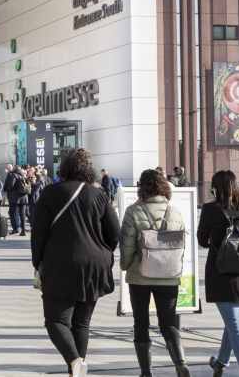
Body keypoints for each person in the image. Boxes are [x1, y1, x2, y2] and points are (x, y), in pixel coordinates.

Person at [31, 148, 119, 377]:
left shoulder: (50, 193)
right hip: (94, 265)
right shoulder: (98, 194)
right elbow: (115, 233)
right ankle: (77, 368)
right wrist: (103, 251)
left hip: (60, 264)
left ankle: (74, 361)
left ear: (64, 168)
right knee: (81, 323)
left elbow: (38, 233)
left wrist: (38, 262)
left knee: (55, 321)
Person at [120, 169, 189, 377]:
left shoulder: (134, 211)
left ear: (142, 187)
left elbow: (127, 246)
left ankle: (146, 371)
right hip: (169, 276)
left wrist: (126, 265)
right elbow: (181, 246)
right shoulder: (174, 211)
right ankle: (180, 363)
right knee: (169, 322)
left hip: (140, 276)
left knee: (141, 322)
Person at [197, 170, 239, 375]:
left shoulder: (209, 209)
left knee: (234, 325)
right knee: (232, 324)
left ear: (214, 187)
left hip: (220, 272)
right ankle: (220, 362)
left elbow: (202, 240)